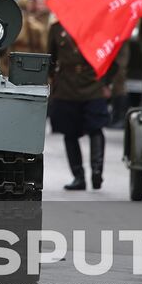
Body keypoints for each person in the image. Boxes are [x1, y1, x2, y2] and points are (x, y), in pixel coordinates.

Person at [46, 18, 115, 191]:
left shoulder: (98, 26)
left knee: (96, 127)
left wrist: (107, 83)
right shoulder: (56, 28)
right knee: (69, 133)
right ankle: (78, 177)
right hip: (66, 87)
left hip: (92, 84)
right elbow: (51, 58)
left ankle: (97, 172)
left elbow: (111, 57)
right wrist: (52, 82)